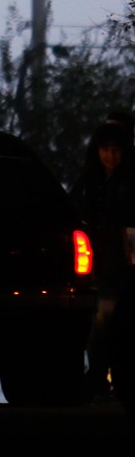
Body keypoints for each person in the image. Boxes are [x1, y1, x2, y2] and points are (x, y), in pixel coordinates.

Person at [74, 122, 132, 398]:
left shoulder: (127, 182)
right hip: (95, 266)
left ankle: (99, 378)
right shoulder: (90, 181)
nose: (111, 155)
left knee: (107, 324)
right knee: (100, 325)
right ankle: (98, 378)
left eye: (116, 150)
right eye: (106, 149)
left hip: (119, 266)